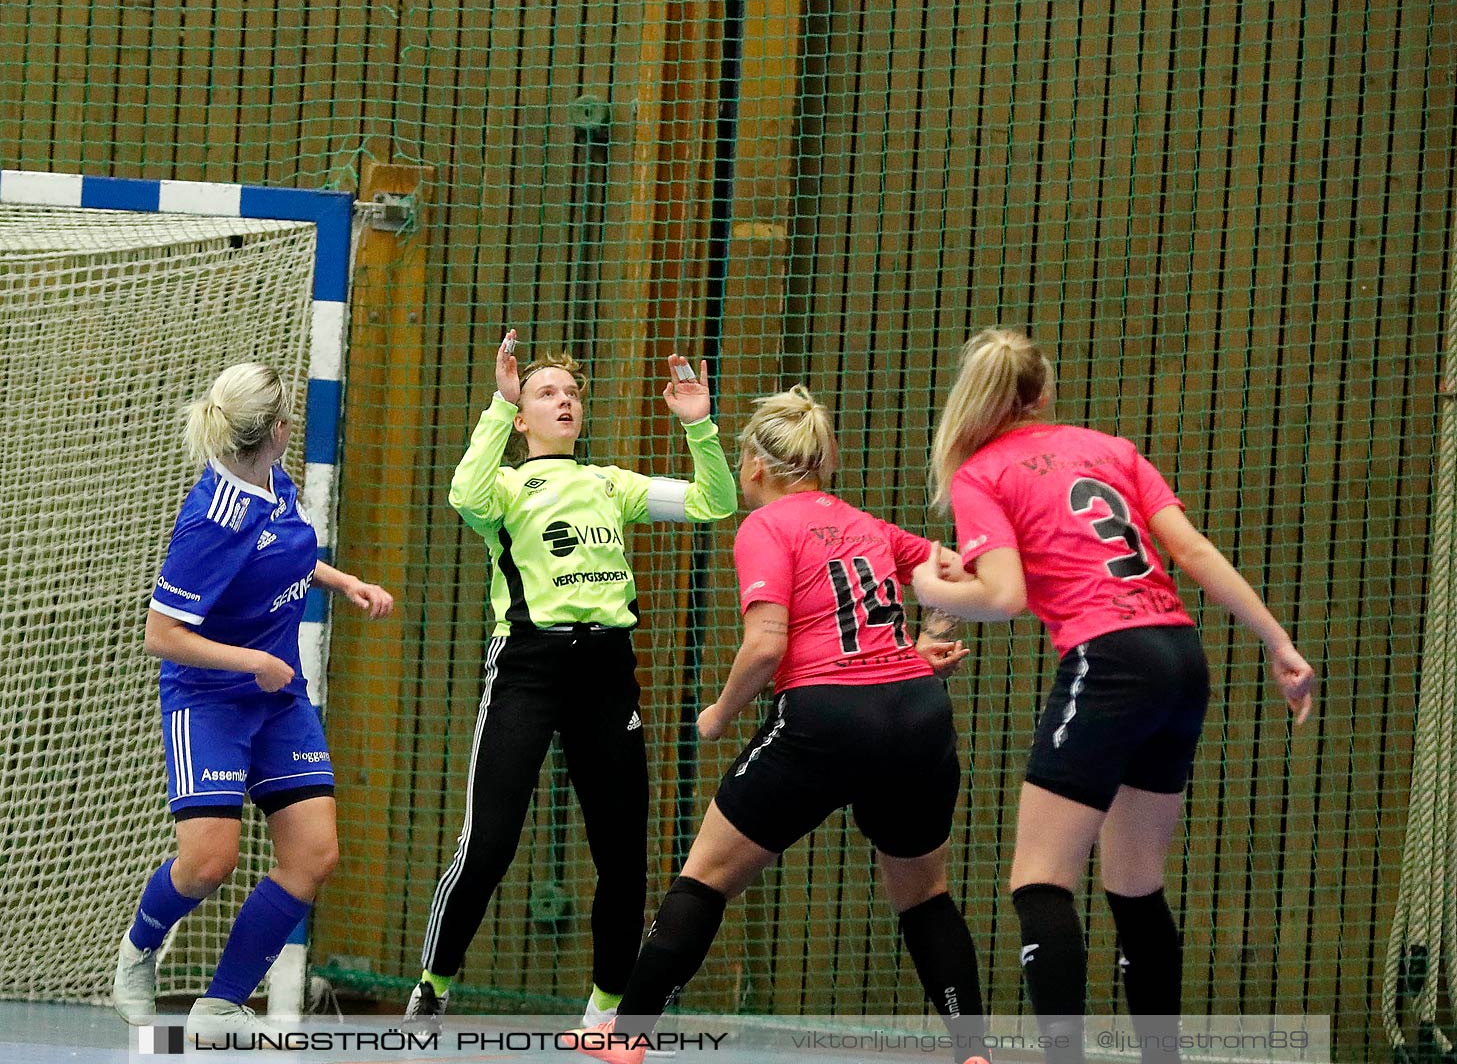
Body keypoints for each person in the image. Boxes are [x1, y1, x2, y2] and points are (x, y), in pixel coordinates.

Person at [910, 328, 1317, 1064]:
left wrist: (926, 585)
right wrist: (1276, 641)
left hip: (1107, 658)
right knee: (1134, 884)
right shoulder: (1110, 450)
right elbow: (1188, 551)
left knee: (1040, 882)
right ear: (1044, 393)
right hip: (1177, 655)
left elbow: (1002, 598)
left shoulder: (980, 475)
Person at [573, 387, 992, 1064]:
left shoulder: (765, 527)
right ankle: (973, 1050)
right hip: (915, 712)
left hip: (826, 718)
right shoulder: (864, 524)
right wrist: (919, 641)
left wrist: (717, 714)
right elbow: (962, 572)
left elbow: (766, 644)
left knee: (705, 874)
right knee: (923, 894)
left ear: (757, 466)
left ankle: (625, 1039)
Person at [403, 330, 738, 1030]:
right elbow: (463, 493)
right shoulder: (502, 484)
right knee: (488, 842)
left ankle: (605, 1009)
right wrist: (498, 407)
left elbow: (714, 502)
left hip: (606, 671)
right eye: (546, 393)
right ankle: (435, 981)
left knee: (621, 855)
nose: (564, 402)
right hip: (528, 665)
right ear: (522, 417)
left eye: (572, 394)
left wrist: (698, 424)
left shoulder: (608, 484)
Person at [111, 362, 395, 1045]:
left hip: (277, 699)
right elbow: (161, 635)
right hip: (209, 699)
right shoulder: (211, 520)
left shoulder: (274, 477)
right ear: (277, 429)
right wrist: (252, 660)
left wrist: (344, 580)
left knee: (314, 856)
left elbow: (286, 551)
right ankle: (138, 949)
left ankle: (222, 1004)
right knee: (210, 862)